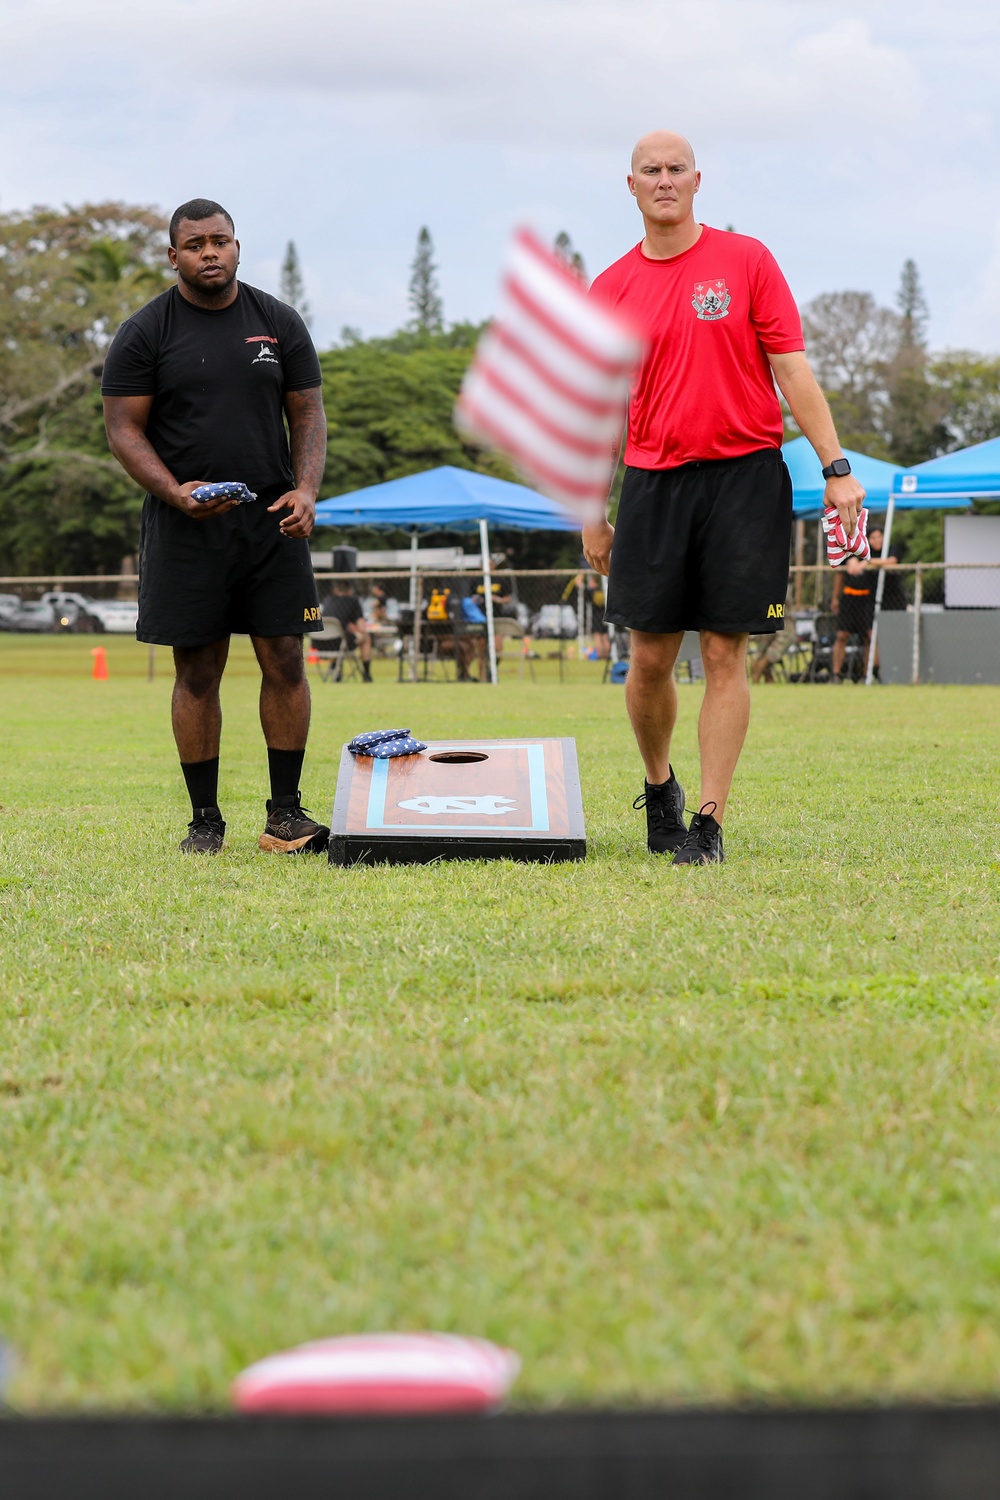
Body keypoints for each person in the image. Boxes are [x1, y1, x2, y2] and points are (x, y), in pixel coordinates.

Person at [584, 130, 866, 863]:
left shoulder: (747, 261)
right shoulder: (609, 288)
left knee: (723, 650)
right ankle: (661, 788)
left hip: (744, 476)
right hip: (653, 483)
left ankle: (708, 823)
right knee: (647, 657)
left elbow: (793, 372)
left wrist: (837, 468)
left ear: (699, 180)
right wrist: (592, 510)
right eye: (652, 170)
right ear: (631, 185)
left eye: (677, 168)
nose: (665, 179)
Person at [102, 198, 330, 855]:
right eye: (196, 243)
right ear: (173, 256)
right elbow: (123, 430)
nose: (210, 252)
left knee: (286, 658)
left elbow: (308, 414)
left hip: (271, 523)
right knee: (197, 670)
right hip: (186, 526)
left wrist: (306, 491)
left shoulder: (277, 322)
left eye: (221, 241)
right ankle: (205, 821)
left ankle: (285, 815)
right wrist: (175, 491)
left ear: (237, 247)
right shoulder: (146, 331)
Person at [830, 526, 902, 681]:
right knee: (842, 635)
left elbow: (892, 561)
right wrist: (835, 597)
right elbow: (846, 568)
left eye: (879, 537)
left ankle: (868, 674)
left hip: (868, 600)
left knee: (870, 636)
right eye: (873, 538)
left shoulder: (887, 550)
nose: (877, 540)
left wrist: (868, 562)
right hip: (849, 599)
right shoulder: (855, 549)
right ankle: (836, 674)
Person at [319, 579, 373, 680]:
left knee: (342, 637)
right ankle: (367, 674)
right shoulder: (352, 601)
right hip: (340, 642)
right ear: (349, 590)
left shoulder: (327, 600)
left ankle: (335, 668)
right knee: (366, 638)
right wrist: (357, 630)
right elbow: (362, 628)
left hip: (320, 643)